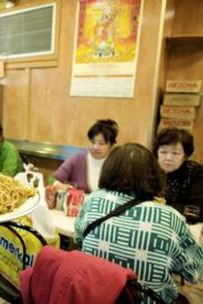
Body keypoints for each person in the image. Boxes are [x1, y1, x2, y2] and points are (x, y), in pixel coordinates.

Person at [75, 143, 203, 304]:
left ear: (108, 170)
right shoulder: (169, 217)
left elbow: (79, 239)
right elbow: (195, 271)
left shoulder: (93, 199)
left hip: (96, 296)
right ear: (154, 174)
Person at [50, 119, 118, 193]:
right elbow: (51, 180)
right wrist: (58, 184)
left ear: (111, 146)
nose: (95, 147)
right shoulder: (77, 160)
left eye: (101, 144)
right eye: (92, 142)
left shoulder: (116, 165)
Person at [154, 127, 203, 223]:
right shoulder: (147, 170)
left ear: (185, 156)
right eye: (163, 152)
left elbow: (196, 211)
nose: (168, 158)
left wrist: (160, 205)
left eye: (175, 153)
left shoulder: (196, 173)